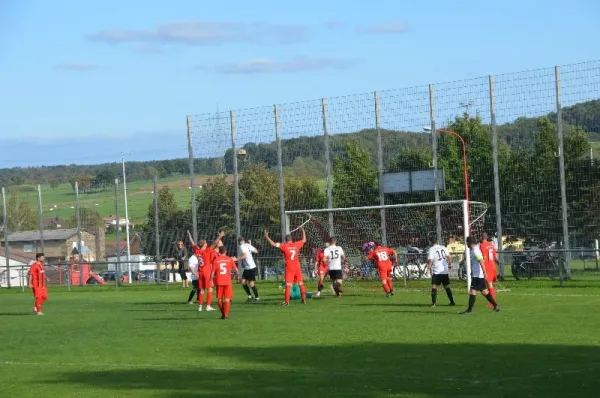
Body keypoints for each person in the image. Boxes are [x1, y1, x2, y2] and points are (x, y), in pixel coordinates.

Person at [265, 227, 307, 306]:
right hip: (297, 267)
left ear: (286, 240)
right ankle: (304, 299)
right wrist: (303, 231)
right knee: (301, 283)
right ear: (292, 239)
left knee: (288, 284)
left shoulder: (284, 246)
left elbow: (273, 244)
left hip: (289, 267)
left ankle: (286, 301)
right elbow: (304, 240)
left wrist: (267, 237)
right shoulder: (296, 244)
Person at [187, 230, 225, 312]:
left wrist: (189, 235)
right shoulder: (207, 251)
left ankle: (200, 307)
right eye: (206, 243)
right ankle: (208, 306)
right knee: (210, 288)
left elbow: (192, 243)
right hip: (207, 272)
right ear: (204, 244)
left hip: (200, 272)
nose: (207, 243)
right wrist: (220, 236)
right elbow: (215, 243)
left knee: (202, 290)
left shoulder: (197, 251)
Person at [461, 236, 500, 315]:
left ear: (469, 243)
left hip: (478, 275)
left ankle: (469, 311)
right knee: (484, 291)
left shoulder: (475, 251)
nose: (466, 244)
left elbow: (481, 261)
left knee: (472, 292)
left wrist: (485, 273)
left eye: (467, 242)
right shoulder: (475, 249)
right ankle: (496, 306)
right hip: (478, 275)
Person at [211, 246, 239, 320]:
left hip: (219, 281)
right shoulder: (230, 259)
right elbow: (236, 270)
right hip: (227, 282)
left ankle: (223, 314)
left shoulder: (216, 260)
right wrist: (237, 277)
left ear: (219, 252)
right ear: (226, 251)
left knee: (219, 299)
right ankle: (226, 315)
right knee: (227, 299)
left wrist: (211, 281)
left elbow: (212, 272)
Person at [426, 237, 456, 307]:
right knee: (447, 286)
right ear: (437, 242)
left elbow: (430, 260)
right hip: (444, 270)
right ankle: (452, 302)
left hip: (437, 271)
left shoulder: (431, 249)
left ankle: (433, 303)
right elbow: (449, 257)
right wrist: (449, 265)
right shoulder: (443, 247)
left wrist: (428, 270)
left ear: (431, 242)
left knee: (434, 286)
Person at [237, 237, 260, 302]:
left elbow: (244, 256)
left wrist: (236, 259)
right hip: (247, 268)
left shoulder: (242, 246)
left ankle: (257, 297)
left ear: (239, 243)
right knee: (243, 282)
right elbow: (256, 251)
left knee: (251, 284)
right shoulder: (247, 245)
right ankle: (250, 297)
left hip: (251, 267)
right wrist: (250, 246)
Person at [480, 232, 499, 307]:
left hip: (487, 266)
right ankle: (492, 301)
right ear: (487, 237)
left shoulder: (482, 245)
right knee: (489, 284)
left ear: (481, 237)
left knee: (489, 284)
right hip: (493, 266)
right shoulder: (491, 245)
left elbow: (484, 257)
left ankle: (492, 303)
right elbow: (496, 256)